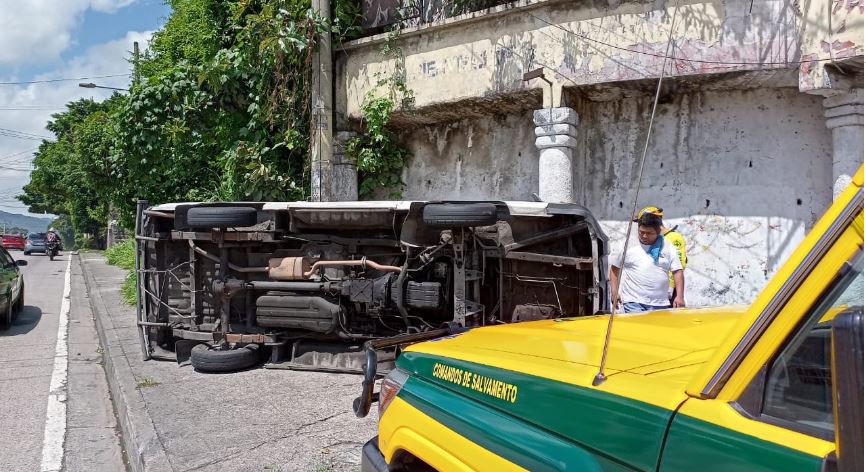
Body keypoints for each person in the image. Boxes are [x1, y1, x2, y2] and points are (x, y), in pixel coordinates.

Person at [609, 212, 684, 313]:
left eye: (649, 233)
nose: (644, 236)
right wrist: (614, 291)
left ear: (658, 231)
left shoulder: (668, 247)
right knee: (638, 329)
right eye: (641, 232)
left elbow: (677, 271)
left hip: (660, 303)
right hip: (633, 301)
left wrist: (679, 296)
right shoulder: (628, 246)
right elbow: (614, 270)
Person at [634, 206, 688, 300]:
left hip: (667, 292)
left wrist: (670, 288)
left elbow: (679, 266)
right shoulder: (652, 240)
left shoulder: (673, 238)